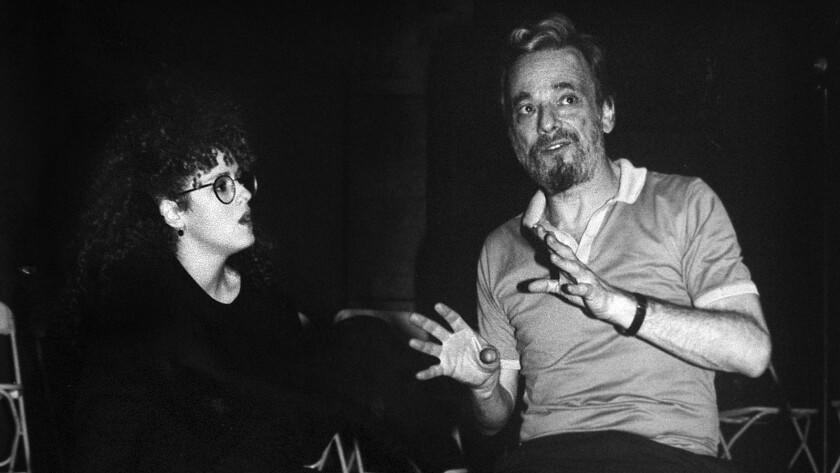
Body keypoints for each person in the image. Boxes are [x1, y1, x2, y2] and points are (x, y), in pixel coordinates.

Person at [408, 12, 771, 473]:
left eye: (566, 98)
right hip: (544, 460)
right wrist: (482, 387)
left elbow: (752, 352)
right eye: (526, 108)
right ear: (512, 134)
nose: (547, 123)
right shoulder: (499, 249)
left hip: (666, 457)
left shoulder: (684, 202)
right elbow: (495, 419)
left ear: (605, 112)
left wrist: (619, 305)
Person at [67, 83, 337, 473]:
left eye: (241, 179)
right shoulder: (136, 322)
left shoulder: (270, 308)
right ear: (174, 212)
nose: (243, 193)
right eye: (222, 185)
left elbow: (301, 439)